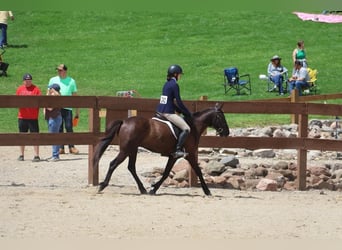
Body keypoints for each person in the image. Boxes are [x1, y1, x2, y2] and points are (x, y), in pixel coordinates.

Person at [156, 64, 192, 158]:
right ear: (175, 74)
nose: (180, 76)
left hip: (160, 110)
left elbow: (167, 100)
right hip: (168, 112)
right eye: (180, 74)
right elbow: (179, 101)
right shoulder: (174, 85)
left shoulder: (166, 84)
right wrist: (187, 113)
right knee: (186, 128)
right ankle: (178, 150)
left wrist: (178, 110)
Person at [48, 64, 79, 155]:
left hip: (68, 107)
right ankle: (60, 147)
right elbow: (48, 93)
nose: (59, 72)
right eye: (58, 70)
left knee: (69, 126)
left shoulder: (71, 81)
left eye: (60, 70)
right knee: (59, 127)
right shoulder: (53, 80)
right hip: (56, 108)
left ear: (65, 71)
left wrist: (77, 110)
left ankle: (71, 146)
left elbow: (75, 96)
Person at [16, 73, 41, 162]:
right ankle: (21, 154)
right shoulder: (20, 89)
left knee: (35, 136)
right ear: (24, 81)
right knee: (22, 135)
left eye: (29, 80)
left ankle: (36, 155)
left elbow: (39, 102)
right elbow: (16, 101)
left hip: (33, 117)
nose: (28, 82)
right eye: (26, 81)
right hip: (22, 116)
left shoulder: (36, 89)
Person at [44, 84, 62, 162]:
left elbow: (50, 108)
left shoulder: (56, 98)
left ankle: (55, 155)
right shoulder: (53, 97)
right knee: (53, 136)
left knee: (54, 137)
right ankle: (55, 154)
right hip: (51, 118)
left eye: (51, 89)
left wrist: (48, 94)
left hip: (55, 118)